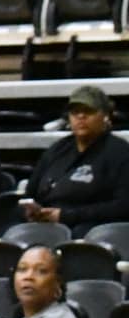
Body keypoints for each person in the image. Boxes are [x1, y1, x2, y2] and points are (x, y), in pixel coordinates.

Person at [24, 84, 129, 236]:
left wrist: (66, 216)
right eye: (75, 112)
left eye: (88, 111)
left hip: (92, 229)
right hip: (47, 225)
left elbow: (123, 206)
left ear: (105, 116)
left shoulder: (120, 152)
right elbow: (31, 192)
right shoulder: (57, 150)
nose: (81, 117)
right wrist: (31, 210)